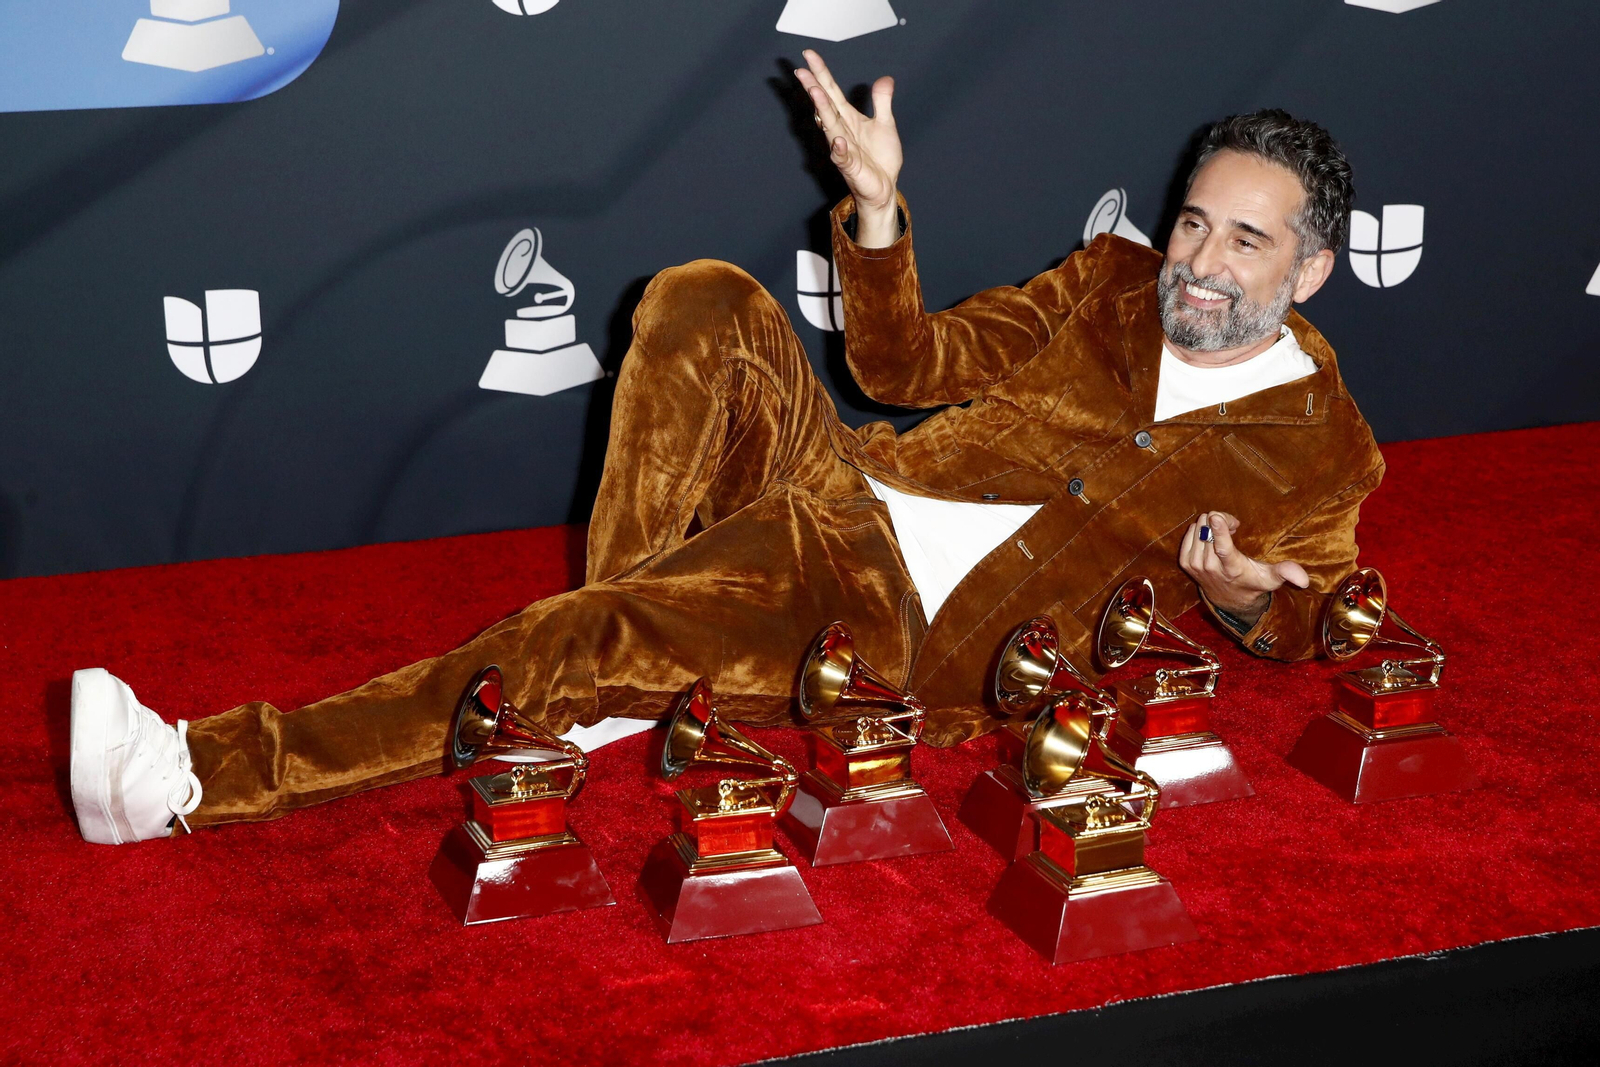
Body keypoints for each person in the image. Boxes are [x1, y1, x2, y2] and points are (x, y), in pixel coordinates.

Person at [69, 51, 1381, 845]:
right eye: (1195, 222)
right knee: (701, 296)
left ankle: (189, 776)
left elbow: (1313, 618)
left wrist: (1237, 595)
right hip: (855, 488)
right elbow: (901, 367)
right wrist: (875, 214)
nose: (1199, 260)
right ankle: (630, 655)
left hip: (925, 625)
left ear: (1315, 268)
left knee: (588, 639)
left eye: (1244, 241)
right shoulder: (1110, 278)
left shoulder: (1323, 447)